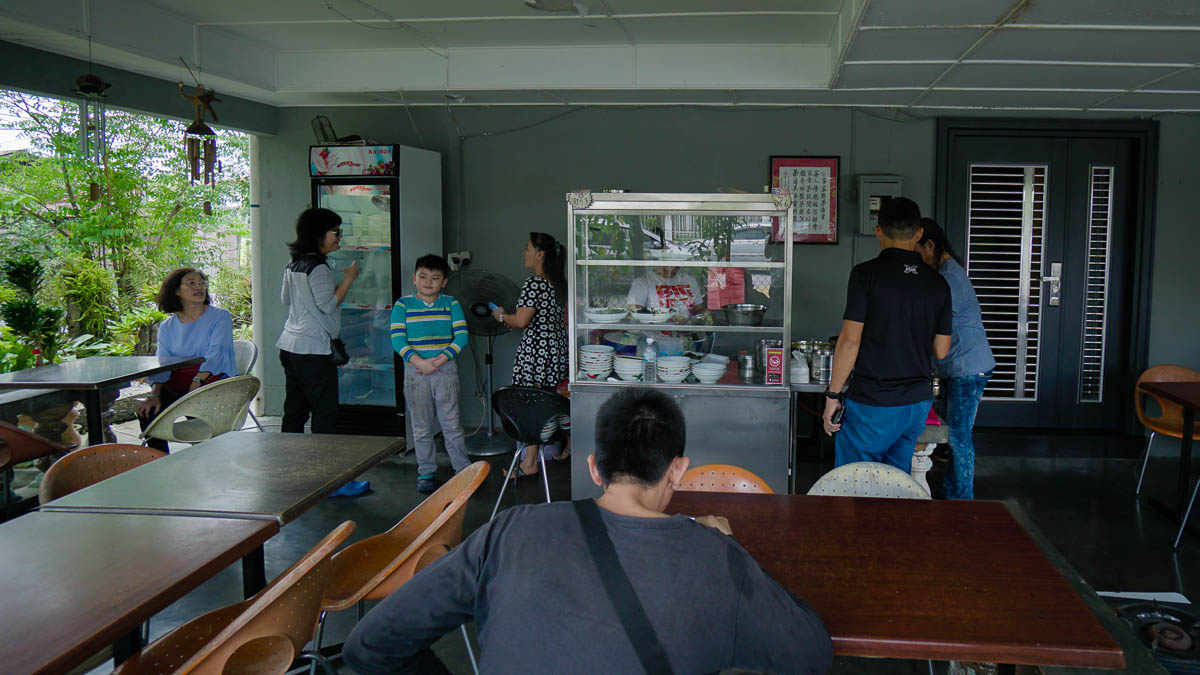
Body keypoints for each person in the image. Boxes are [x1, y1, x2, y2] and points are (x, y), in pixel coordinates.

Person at [343, 388, 833, 675]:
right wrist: (727, 545)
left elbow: (370, 644)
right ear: (678, 470)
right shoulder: (714, 557)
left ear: (595, 467)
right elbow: (809, 654)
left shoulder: (511, 529)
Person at [822, 197, 952, 472]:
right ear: (918, 233)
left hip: (874, 404)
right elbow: (941, 350)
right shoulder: (938, 284)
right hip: (915, 404)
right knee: (894, 487)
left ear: (878, 231)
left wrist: (832, 395)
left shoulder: (866, 275)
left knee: (852, 484)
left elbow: (849, 341)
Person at [917, 218, 994, 499]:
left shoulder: (947, 278)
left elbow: (929, 325)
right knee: (955, 438)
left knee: (960, 439)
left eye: (919, 253)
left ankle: (962, 504)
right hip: (962, 367)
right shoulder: (949, 271)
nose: (918, 260)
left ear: (930, 245)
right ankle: (953, 495)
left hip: (968, 368)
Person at [390, 254, 472, 494]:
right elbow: (397, 339)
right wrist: (419, 362)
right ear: (414, 279)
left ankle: (463, 470)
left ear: (444, 282)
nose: (428, 282)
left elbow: (462, 336)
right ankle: (426, 471)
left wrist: (440, 359)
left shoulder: (451, 304)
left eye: (435, 278)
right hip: (416, 375)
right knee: (422, 427)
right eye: (423, 277)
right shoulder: (402, 305)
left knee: (452, 425)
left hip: (445, 373)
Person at [491, 232, 569, 478]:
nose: (524, 253)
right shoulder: (559, 283)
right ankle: (564, 446)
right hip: (557, 351)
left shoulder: (534, 283)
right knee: (550, 402)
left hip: (536, 354)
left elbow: (523, 320)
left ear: (540, 254)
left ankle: (530, 462)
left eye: (527, 248)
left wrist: (502, 316)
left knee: (531, 406)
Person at [136, 267, 237, 453]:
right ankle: (160, 461)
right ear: (176, 291)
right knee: (148, 412)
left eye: (202, 283)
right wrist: (155, 394)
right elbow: (163, 362)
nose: (199, 287)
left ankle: (207, 458)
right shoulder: (167, 326)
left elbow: (216, 355)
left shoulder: (220, 316)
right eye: (191, 283)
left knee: (198, 416)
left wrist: (195, 385)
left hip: (210, 383)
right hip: (179, 384)